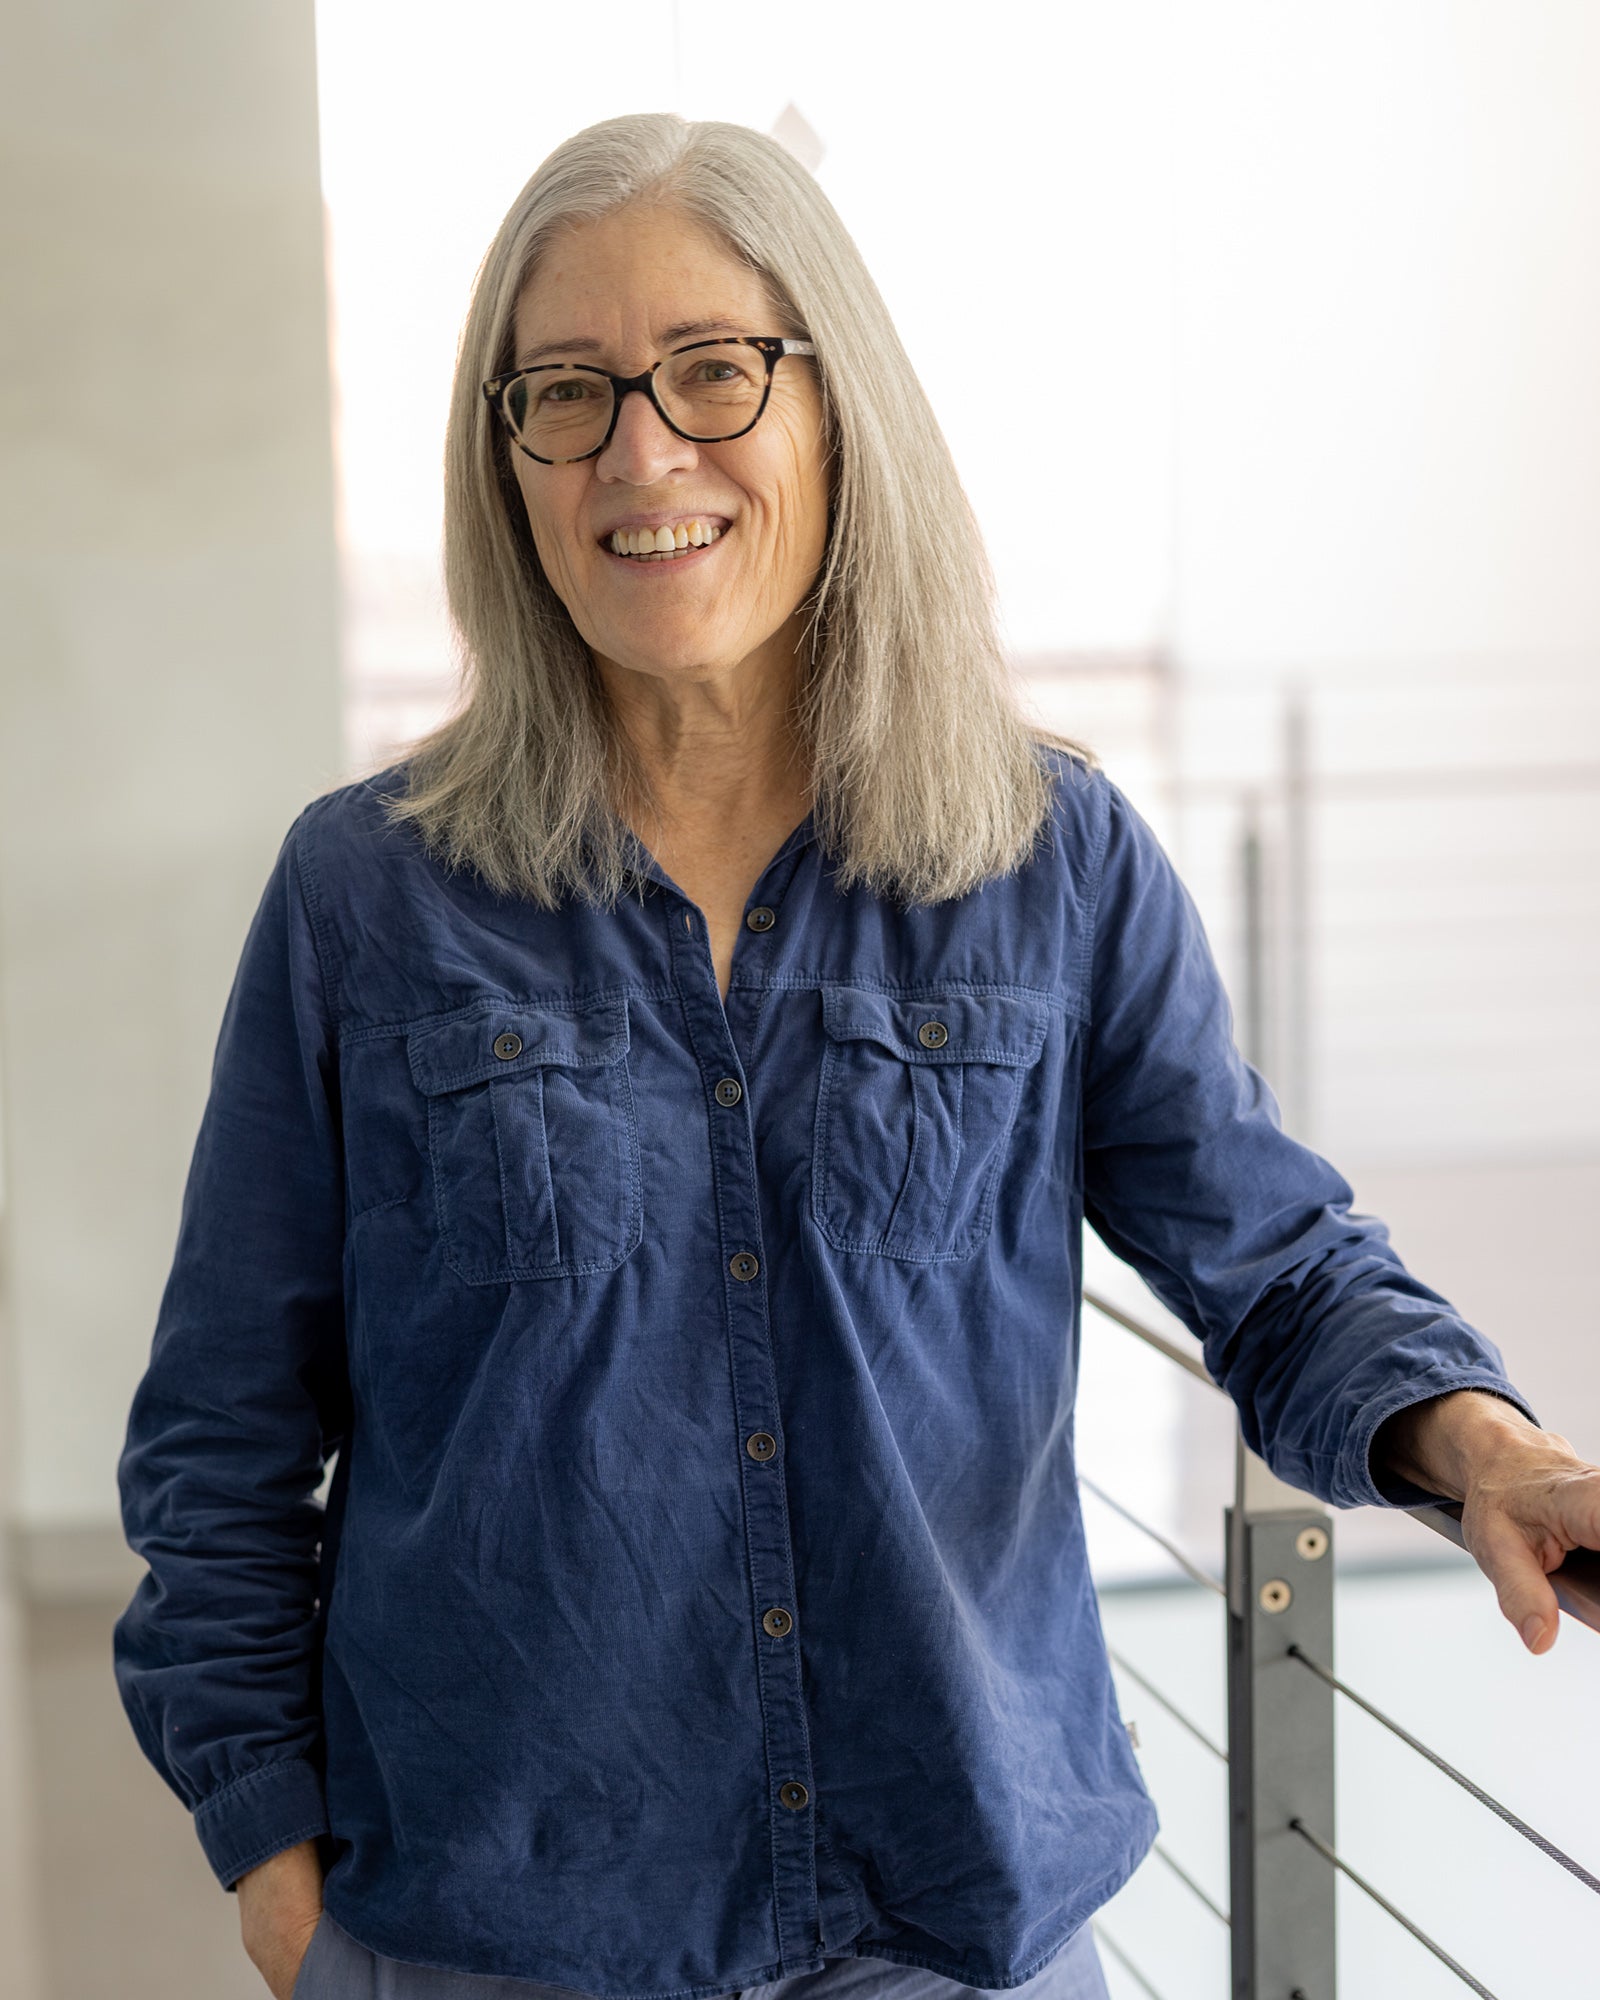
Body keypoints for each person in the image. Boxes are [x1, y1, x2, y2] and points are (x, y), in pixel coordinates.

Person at [113, 112, 1600, 2000]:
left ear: (835, 404)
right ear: (509, 463)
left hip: (956, 1932)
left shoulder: (1054, 863)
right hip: (499, 1941)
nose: (643, 454)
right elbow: (223, 1436)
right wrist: (276, 1875)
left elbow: (1280, 1271)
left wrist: (1479, 1450)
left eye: (713, 372)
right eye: (566, 393)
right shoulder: (364, 898)